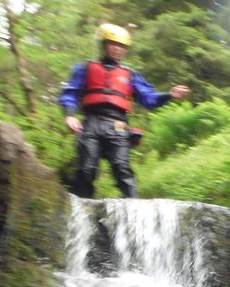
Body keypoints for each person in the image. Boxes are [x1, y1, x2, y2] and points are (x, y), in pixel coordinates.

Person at [59, 23, 190, 198]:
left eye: (121, 46)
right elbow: (71, 94)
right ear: (104, 45)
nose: (117, 49)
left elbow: (148, 99)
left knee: (122, 167)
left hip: (118, 125)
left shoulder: (130, 75)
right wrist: (69, 116)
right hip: (91, 122)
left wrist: (169, 95)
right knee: (86, 168)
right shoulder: (85, 69)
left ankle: (133, 208)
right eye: (113, 44)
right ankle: (82, 207)